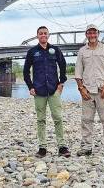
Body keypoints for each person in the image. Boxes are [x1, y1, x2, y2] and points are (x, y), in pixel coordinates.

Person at [23, 26, 70, 158]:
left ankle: (62, 146)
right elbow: (26, 71)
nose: (43, 35)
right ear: (37, 35)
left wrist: (61, 83)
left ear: (48, 35)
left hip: (54, 89)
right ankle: (42, 147)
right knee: (41, 119)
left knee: (58, 118)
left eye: (45, 33)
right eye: (40, 33)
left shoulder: (55, 50)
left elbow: (63, 66)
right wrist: (30, 86)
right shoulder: (32, 52)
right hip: (38, 91)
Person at [74, 24, 104, 159]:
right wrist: (81, 89)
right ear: (86, 35)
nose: (92, 35)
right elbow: (78, 72)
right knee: (86, 120)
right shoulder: (82, 51)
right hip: (87, 91)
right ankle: (86, 147)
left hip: (101, 91)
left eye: (94, 33)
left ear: (98, 34)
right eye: (89, 33)